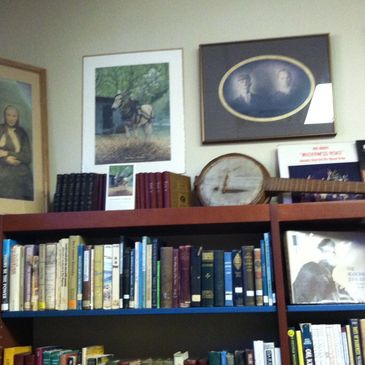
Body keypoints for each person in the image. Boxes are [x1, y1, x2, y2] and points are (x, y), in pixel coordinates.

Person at [292, 238, 353, 303]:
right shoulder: (310, 268)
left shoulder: (334, 280)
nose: (333, 255)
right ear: (321, 252)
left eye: (333, 252)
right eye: (328, 251)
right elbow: (299, 300)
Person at [0, 105, 33, 200]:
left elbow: (27, 157)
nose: (11, 118)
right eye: (8, 115)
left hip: (20, 170)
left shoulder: (22, 133)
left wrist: (7, 154)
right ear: (4, 116)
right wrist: (5, 160)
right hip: (2, 168)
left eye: (14, 116)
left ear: (18, 117)